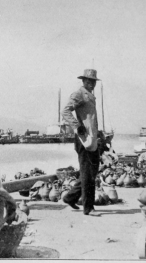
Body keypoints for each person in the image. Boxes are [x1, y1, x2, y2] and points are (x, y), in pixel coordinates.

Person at [61, 69, 100, 215]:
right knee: (88, 173)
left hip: (92, 138)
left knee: (91, 171)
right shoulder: (79, 94)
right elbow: (65, 111)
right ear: (83, 81)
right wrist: (77, 127)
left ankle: (70, 197)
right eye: (88, 81)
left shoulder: (90, 96)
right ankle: (88, 208)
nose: (91, 83)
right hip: (84, 139)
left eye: (93, 81)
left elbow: (90, 119)